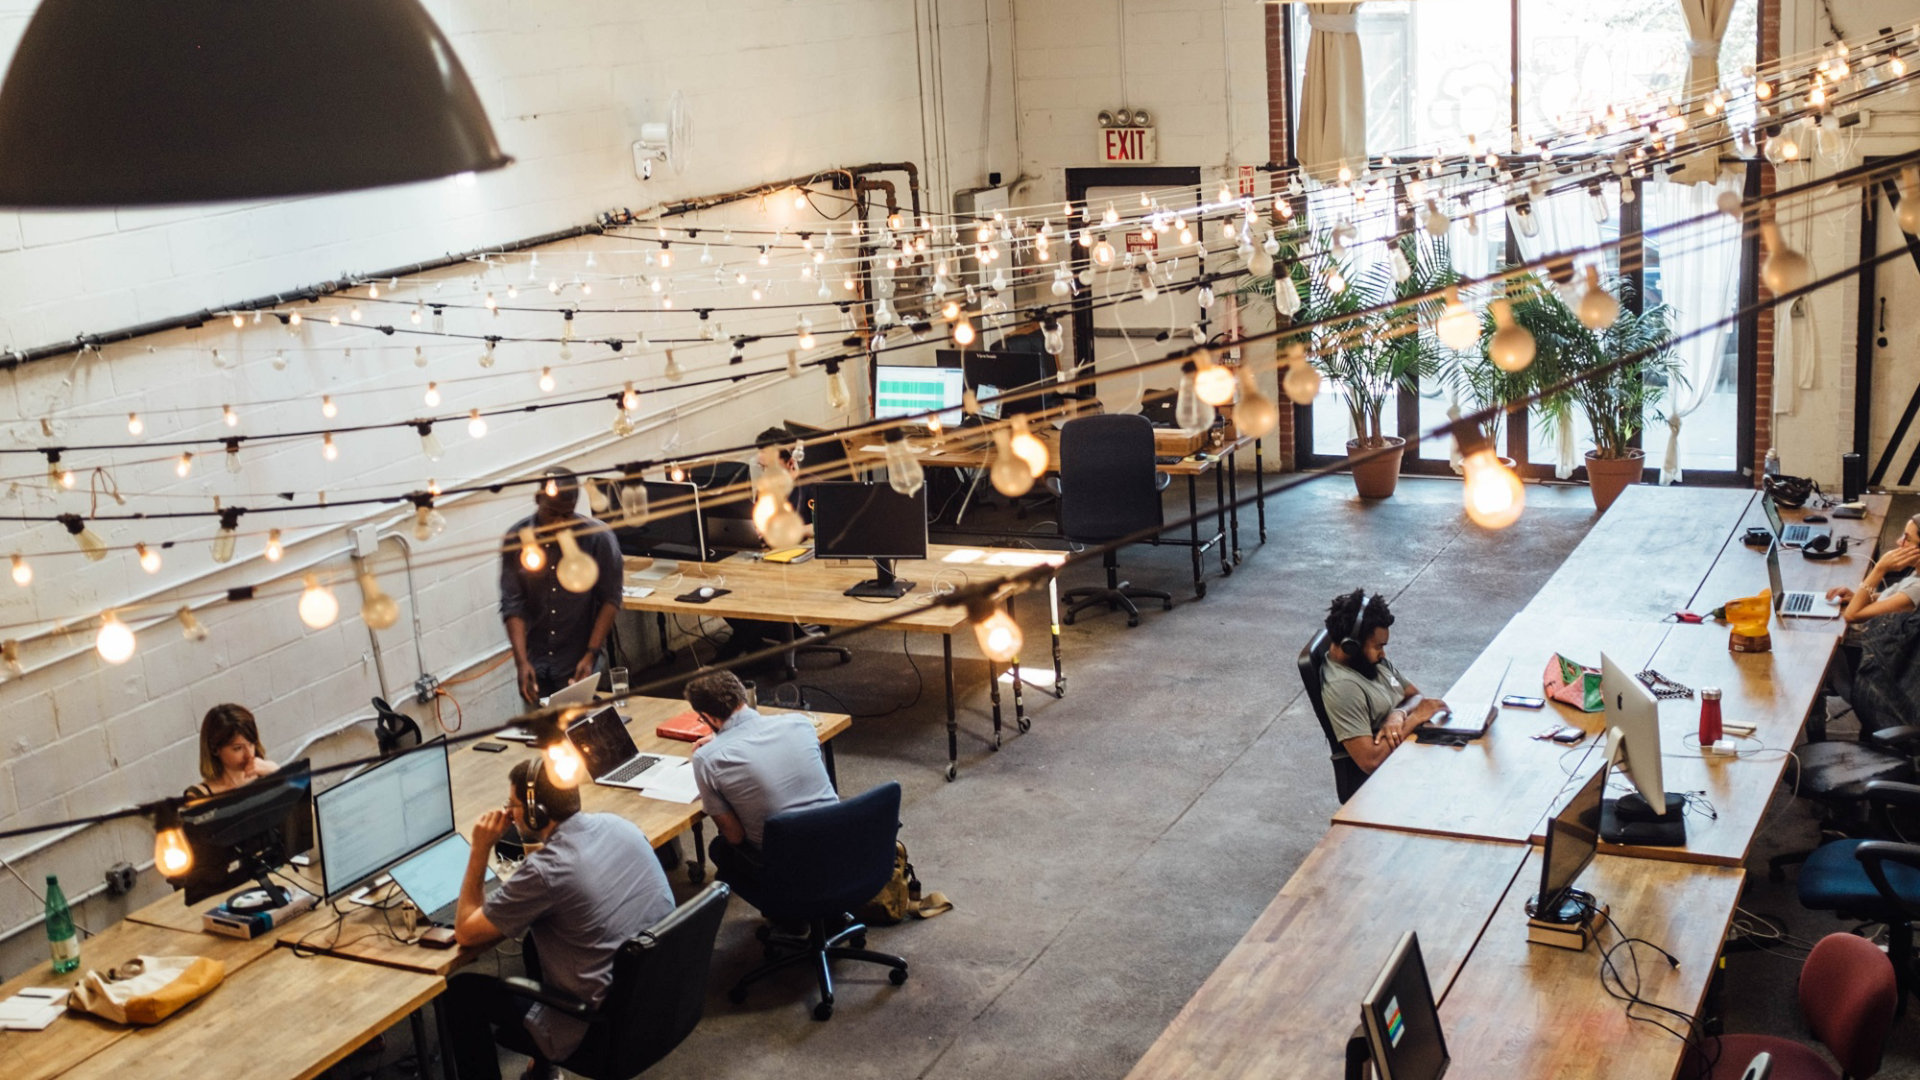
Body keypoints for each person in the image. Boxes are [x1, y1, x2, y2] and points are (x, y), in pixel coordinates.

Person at [444, 758, 674, 1080]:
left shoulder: (546, 872)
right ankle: (543, 1070)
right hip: (656, 1001)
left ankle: (545, 1059)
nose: (509, 813)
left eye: (513, 805)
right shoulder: (619, 825)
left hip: (598, 1029)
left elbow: (467, 933)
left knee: (462, 992)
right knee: (534, 943)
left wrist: (480, 850)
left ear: (537, 811)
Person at [684, 671, 837, 893]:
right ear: (742, 696)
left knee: (721, 849)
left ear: (710, 717)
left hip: (787, 864)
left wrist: (719, 743)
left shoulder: (707, 759)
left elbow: (735, 836)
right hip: (837, 842)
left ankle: (788, 910)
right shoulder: (799, 724)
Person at [500, 466, 624, 704]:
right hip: (537, 661)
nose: (558, 523)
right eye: (552, 513)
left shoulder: (597, 538)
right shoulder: (517, 539)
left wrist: (591, 654)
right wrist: (521, 662)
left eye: (567, 515)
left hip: (580, 658)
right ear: (538, 500)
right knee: (544, 734)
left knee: (586, 729)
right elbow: (512, 604)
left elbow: (611, 599)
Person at [1319, 589, 1448, 778]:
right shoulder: (1343, 688)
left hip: (1410, 749)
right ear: (1351, 646)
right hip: (1392, 773)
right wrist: (1413, 719)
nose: (1383, 654)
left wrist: (1398, 714)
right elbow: (1370, 761)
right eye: (1378, 646)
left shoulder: (1366, 661)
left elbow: (1415, 696)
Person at [717, 428, 814, 663]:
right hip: (769, 562)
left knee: (757, 600)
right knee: (724, 592)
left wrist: (796, 530)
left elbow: (829, 527)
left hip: (803, 570)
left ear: (790, 463)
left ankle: (725, 661)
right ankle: (751, 646)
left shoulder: (811, 487)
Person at [1828, 513, 1920, 624]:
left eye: (1908, 539)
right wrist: (1858, 598)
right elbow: (1895, 596)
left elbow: (1851, 615)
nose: (1899, 542)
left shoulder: (1917, 590)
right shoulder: (1917, 572)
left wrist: (1879, 569)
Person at [186, 704, 278, 798]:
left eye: (251, 744)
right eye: (238, 748)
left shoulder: (267, 773)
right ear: (215, 749)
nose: (249, 755)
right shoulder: (199, 795)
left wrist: (277, 773)